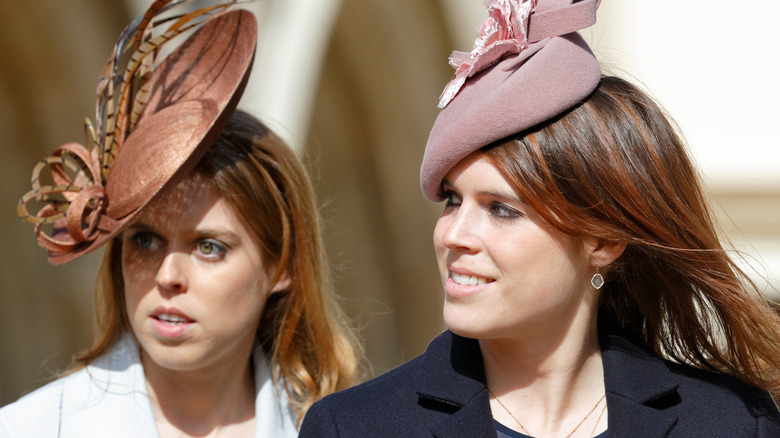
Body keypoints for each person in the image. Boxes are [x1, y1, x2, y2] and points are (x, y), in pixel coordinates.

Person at [299, 0, 780, 436]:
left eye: (502, 209)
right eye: (451, 200)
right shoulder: (355, 427)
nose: (455, 235)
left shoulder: (732, 424)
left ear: (603, 241)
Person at [1, 1, 359, 437]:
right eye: (145, 240)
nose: (168, 275)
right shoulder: (30, 428)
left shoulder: (340, 429)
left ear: (280, 264)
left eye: (208, 247)